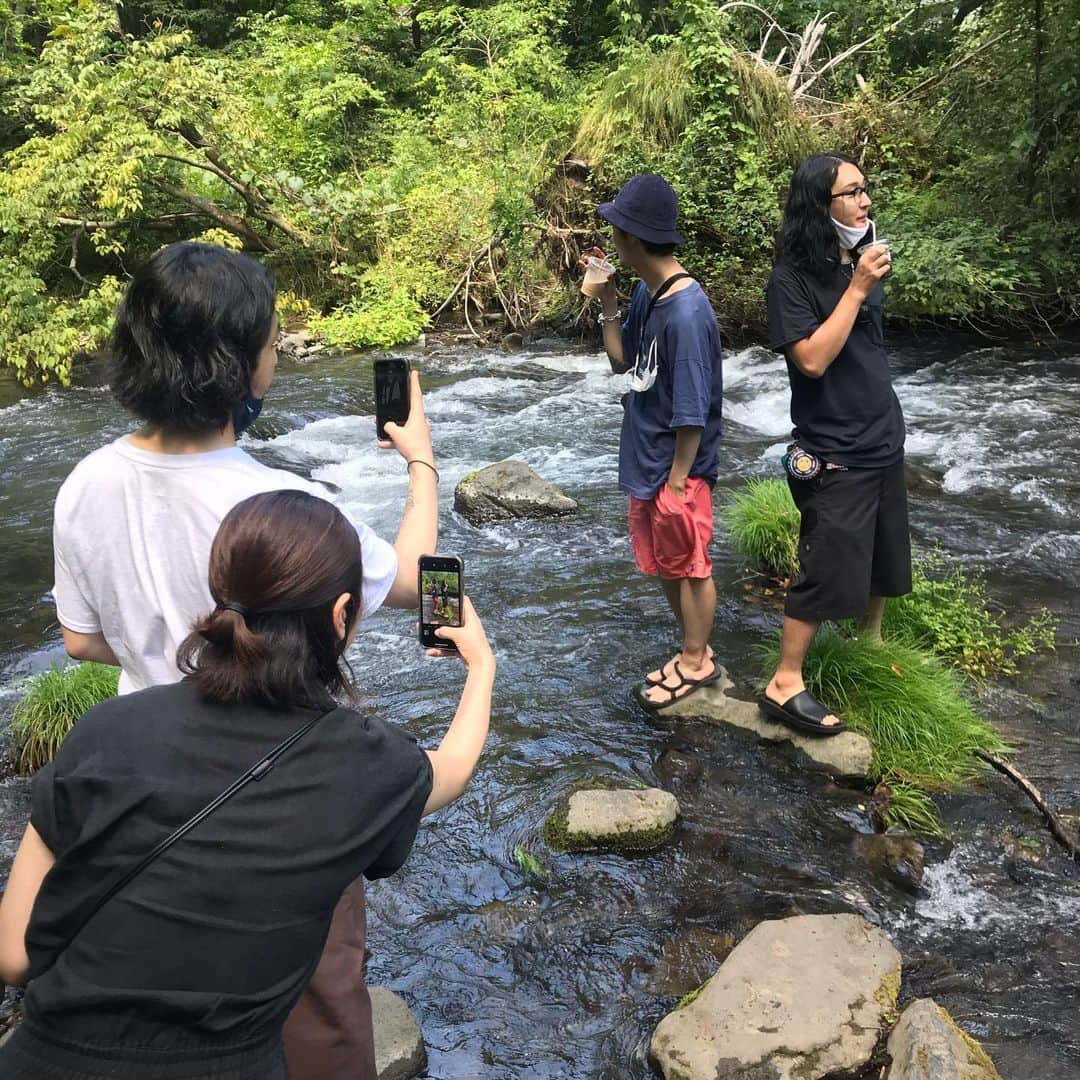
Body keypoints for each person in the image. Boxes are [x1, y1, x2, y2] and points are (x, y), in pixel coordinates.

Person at [49, 241, 440, 1077]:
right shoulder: (281, 509)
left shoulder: (83, 482)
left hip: (142, 789)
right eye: (269, 342)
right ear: (242, 367)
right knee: (322, 1000)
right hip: (281, 786)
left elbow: (80, 640)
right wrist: (421, 462)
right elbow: (410, 581)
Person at [0, 490, 496, 1079]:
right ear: (340, 616)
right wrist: (481, 666)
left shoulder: (108, 727)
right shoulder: (366, 764)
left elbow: (13, 954)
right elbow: (451, 768)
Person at [759, 152, 910, 736]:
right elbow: (814, 360)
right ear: (819, 206)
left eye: (865, 190)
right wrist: (858, 287)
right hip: (834, 447)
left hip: (880, 436)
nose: (865, 201)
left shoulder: (855, 260)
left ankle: (869, 641)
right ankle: (784, 682)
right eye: (852, 192)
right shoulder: (790, 280)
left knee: (885, 549)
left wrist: (861, 277)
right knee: (824, 566)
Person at [586, 174, 724, 709]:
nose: (612, 240)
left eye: (617, 230)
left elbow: (694, 411)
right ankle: (694, 650)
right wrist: (609, 302)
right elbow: (623, 361)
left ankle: (697, 661)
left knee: (690, 563)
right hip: (648, 457)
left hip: (675, 467)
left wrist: (678, 481)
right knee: (667, 563)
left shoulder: (688, 313)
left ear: (634, 240)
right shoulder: (650, 292)